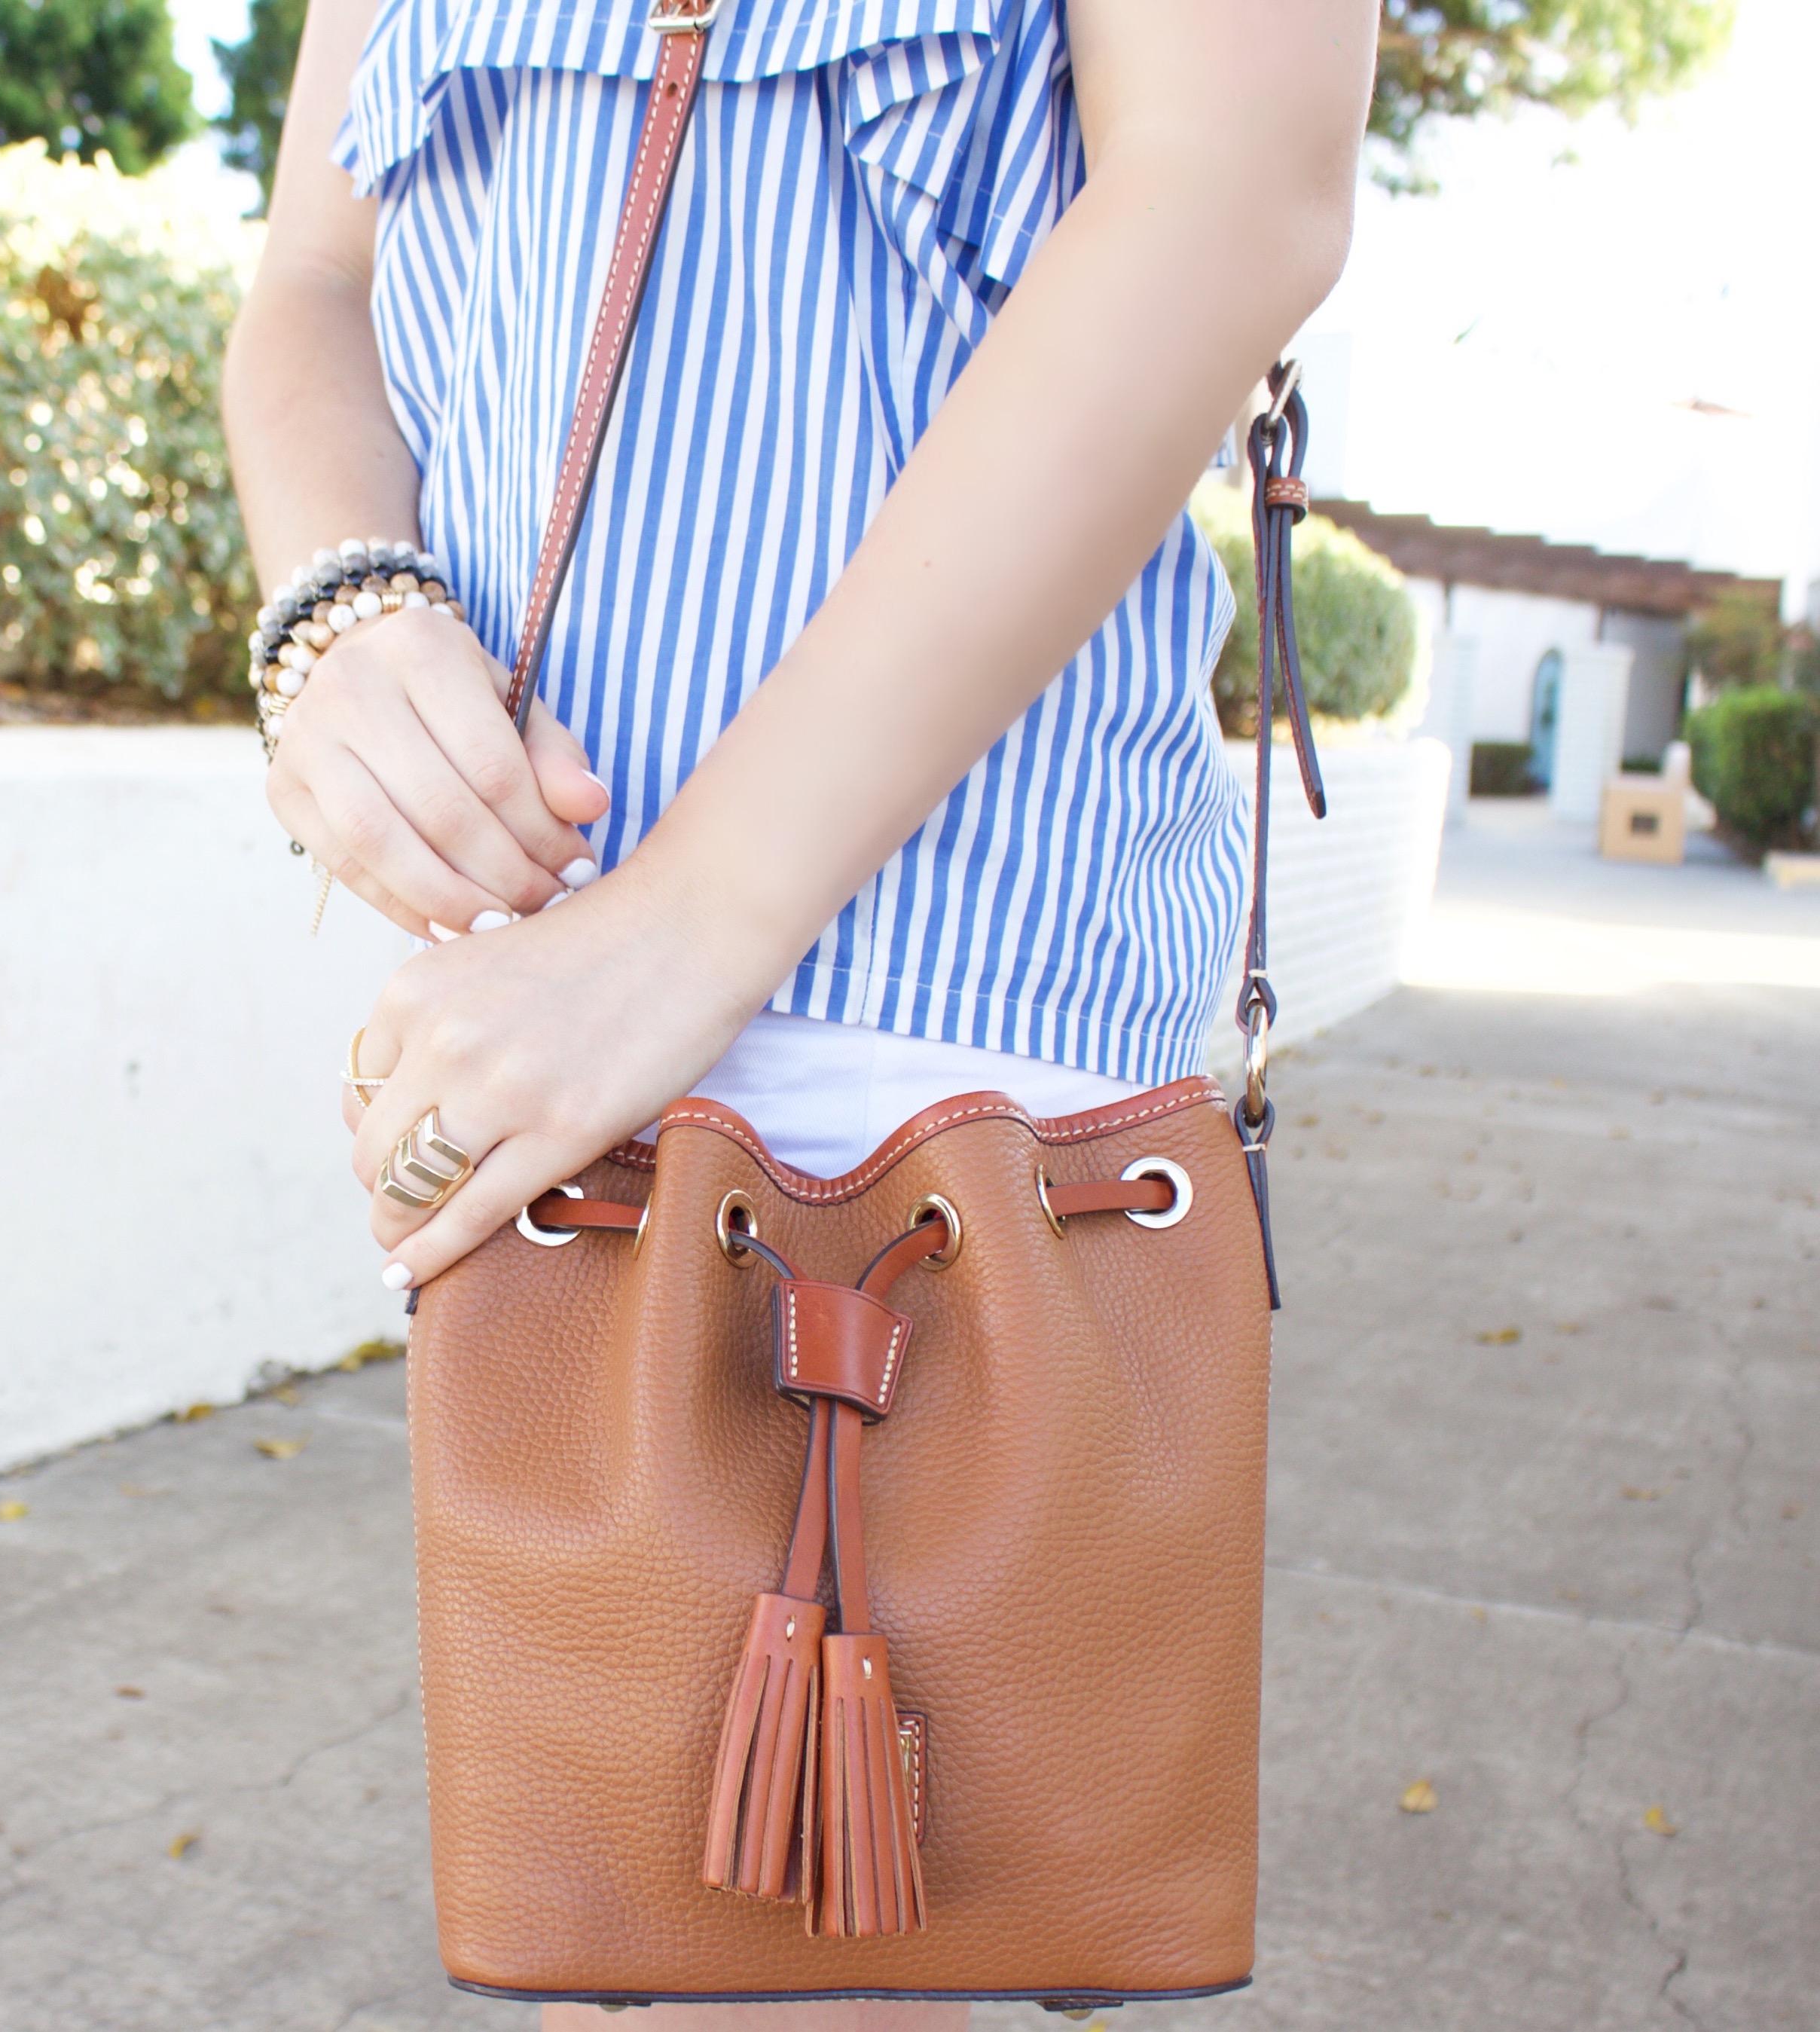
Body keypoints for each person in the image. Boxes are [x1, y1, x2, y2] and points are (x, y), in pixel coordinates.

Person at [223, 0, 1372, 2023]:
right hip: (537, 997)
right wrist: (335, 602)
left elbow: (1235, 196)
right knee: (606, 1950)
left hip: (928, 1014)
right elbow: (315, 276)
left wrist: (688, 930)